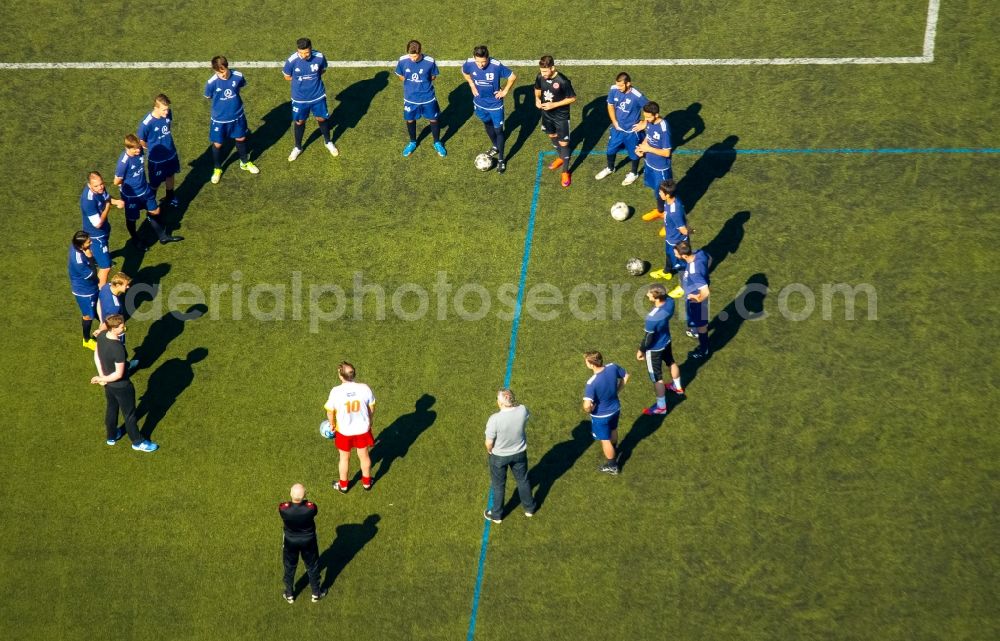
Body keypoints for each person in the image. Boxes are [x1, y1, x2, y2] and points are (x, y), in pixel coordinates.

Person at [90, 314, 159, 451]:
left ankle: (112, 436)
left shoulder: (102, 335)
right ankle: (137, 442)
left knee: (112, 408)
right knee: (130, 415)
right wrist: (102, 378)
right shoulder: (118, 348)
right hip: (122, 386)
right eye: (122, 326)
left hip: (109, 385)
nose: (124, 328)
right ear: (114, 328)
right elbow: (119, 374)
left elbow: (96, 355)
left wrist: (102, 376)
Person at [114, 134, 184, 249]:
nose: (138, 150)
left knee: (155, 211)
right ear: (127, 148)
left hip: (145, 190)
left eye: (138, 147)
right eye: (135, 148)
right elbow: (116, 181)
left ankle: (163, 237)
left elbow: (144, 146)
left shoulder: (140, 151)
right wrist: (130, 183)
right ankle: (135, 240)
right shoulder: (123, 163)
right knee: (132, 219)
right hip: (132, 196)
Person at [483, 388, 536, 523]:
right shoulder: (523, 410)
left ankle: (496, 515)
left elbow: (489, 443)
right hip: (519, 453)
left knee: (498, 485)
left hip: (499, 457)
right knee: (523, 480)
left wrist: (490, 450)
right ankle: (529, 508)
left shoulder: (494, 419)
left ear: (501, 403)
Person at [462, 45, 517, 174]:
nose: (480, 65)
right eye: (478, 62)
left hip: (495, 105)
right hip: (479, 103)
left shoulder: (496, 65)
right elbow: (464, 72)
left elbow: (512, 77)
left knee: (498, 130)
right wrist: (471, 84)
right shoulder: (469, 64)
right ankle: (495, 146)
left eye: (483, 62)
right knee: (487, 124)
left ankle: (501, 159)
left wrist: (505, 91)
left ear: (488, 58)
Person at [204, 56, 259, 184]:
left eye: (223, 71)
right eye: (218, 72)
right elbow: (208, 96)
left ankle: (244, 162)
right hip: (219, 119)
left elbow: (239, 87)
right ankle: (217, 168)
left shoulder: (238, 76)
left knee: (241, 138)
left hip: (237, 116)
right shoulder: (211, 83)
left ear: (227, 66)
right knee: (218, 144)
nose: (222, 74)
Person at [323, 361, 376, 493]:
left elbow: (330, 411)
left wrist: (332, 424)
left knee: (344, 458)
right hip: (363, 430)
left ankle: (344, 486)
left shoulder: (336, 391)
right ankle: (366, 483)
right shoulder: (364, 388)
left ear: (341, 376)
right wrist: (370, 421)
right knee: (364, 456)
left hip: (344, 432)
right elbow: (371, 408)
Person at [284, 37, 338, 161]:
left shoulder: (319, 57)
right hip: (299, 98)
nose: (303, 55)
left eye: (306, 52)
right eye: (301, 53)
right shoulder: (291, 61)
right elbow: (287, 77)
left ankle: (328, 142)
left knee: (322, 118)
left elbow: (323, 70)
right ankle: (298, 147)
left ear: (311, 49)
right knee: (299, 122)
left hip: (317, 96)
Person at [637, 284, 684, 416]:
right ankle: (678, 387)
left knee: (657, 378)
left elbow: (648, 339)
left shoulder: (652, 318)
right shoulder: (670, 302)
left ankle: (661, 407)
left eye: (649, 293)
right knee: (671, 361)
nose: (647, 295)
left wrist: (641, 350)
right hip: (666, 340)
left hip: (655, 349)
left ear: (656, 297)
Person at [395, 40, 446, 158]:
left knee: (433, 119)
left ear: (420, 52)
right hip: (410, 98)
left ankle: (437, 142)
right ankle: (412, 142)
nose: (412, 58)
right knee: (410, 120)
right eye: (410, 55)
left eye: (415, 56)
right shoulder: (402, 60)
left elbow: (433, 77)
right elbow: (401, 75)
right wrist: (411, 86)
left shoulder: (429, 61)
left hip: (428, 97)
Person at [595, 72, 648, 185]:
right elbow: (610, 105)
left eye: (621, 86)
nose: (618, 88)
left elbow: (650, 109)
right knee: (610, 149)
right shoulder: (614, 89)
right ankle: (610, 168)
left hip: (631, 131)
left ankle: (634, 173)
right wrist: (614, 122)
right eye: (617, 85)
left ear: (628, 83)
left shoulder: (637, 96)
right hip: (617, 129)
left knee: (634, 154)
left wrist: (644, 123)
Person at [278, 483, 327, 604]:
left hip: (290, 542)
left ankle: (289, 594)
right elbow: (314, 510)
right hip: (308, 541)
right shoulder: (310, 508)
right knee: (312, 566)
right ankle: (316, 593)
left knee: (289, 567)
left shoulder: (283, 509)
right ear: (305, 495)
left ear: (290, 494)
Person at [583, 351, 629, 475]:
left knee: (605, 439)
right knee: (613, 429)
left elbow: (587, 406)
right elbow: (626, 376)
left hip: (601, 416)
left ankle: (612, 465)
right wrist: (617, 391)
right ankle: (614, 450)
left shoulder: (591, 383)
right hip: (615, 409)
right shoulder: (612, 367)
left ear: (592, 364)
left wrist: (589, 409)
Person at [534, 55, 576, 188]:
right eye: (542, 71)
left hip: (561, 117)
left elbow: (572, 98)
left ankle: (565, 171)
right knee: (552, 136)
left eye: (546, 71)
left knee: (564, 143)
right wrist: (537, 100)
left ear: (553, 68)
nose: (543, 74)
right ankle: (560, 157)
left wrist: (554, 105)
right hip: (546, 115)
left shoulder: (563, 81)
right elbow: (537, 90)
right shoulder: (540, 77)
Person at [79, 171, 124, 289]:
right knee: (106, 267)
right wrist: (109, 206)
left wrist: (116, 201)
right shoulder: (88, 201)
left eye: (101, 184)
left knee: (103, 254)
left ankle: (97, 259)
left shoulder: (99, 190)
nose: (100, 187)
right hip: (96, 235)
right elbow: (98, 224)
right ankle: (100, 294)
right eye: (96, 186)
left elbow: (106, 197)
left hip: (103, 231)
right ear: (89, 185)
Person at [136, 94, 181, 207]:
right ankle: (151, 204)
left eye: (167, 109)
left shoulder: (167, 114)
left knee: (170, 175)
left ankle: (170, 196)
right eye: (164, 110)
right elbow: (141, 141)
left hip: (170, 154)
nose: (166, 112)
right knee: (155, 183)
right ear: (156, 108)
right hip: (156, 160)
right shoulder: (146, 124)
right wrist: (151, 147)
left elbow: (167, 128)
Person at [649, 179, 690, 295]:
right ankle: (667, 272)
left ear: (667, 194)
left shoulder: (674, 211)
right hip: (670, 238)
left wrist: (683, 243)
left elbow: (683, 230)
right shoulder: (669, 200)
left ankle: (683, 286)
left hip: (677, 242)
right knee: (668, 256)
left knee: (681, 264)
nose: (659, 194)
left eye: (661, 192)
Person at [635, 102, 674, 222]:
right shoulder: (649, 122)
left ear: (656, 115)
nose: (645, 120)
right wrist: (642, 147)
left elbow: (667, 153)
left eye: (648, 117)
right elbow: (649, 136)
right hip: (650, 163)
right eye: (644, 116)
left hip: (661, 168)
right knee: (657, 192)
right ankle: (660, 211)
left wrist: (648, 149)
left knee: (667, 194)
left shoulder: (664, 129)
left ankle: (671, 220)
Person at [674, 241, 712, 359]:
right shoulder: (699, 253)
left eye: (676, 254)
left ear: (684, 256)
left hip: (697, 300)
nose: (675, 255)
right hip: (692, 294)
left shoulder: (694, 272)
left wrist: (697, 298)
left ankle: (704, 349)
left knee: (702, 325)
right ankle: (695, 331)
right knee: (696, 321)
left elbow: (705, 292)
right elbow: (710, 258)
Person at [96, 273, 139, 369]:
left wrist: (101, 321)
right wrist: (102, 328)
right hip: (114, 330)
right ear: (118, 285)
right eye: (126, 285)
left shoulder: (106, 287)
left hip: (106, 325)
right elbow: (109, 322)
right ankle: (125, 368)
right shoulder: (115, 307)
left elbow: (99, 302)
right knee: (120, 350)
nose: (128, 287)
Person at [68, 231, 100, 350]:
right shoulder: (79, 261)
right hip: (85, 291)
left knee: (97, 306)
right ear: (81, 246)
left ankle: (109, 324)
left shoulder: (75, 246)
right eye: (88, 242)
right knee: (88, 316)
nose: (91, 242)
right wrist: (90, 258)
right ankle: (86, 340)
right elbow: (92, 274)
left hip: (90, 287)